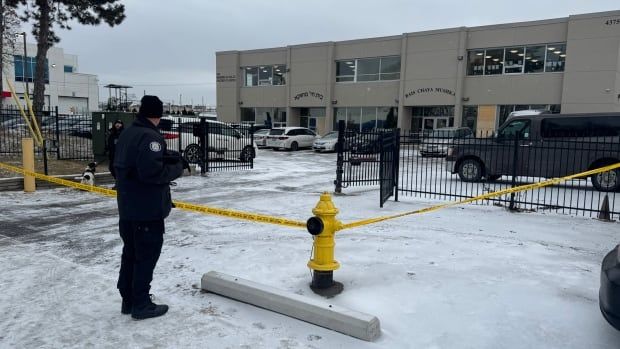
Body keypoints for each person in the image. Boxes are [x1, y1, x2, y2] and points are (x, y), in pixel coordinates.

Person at [113, 95, 187, 320]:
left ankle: (129, 299)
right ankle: (142, 304)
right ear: (159, 114)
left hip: (127, 207)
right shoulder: (149, 136)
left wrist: (164, 159)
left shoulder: (128, 133)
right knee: (146, 255)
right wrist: (177, 168)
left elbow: (124, 168)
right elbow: (151, 173)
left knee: (131, 253)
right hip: (146, 209)